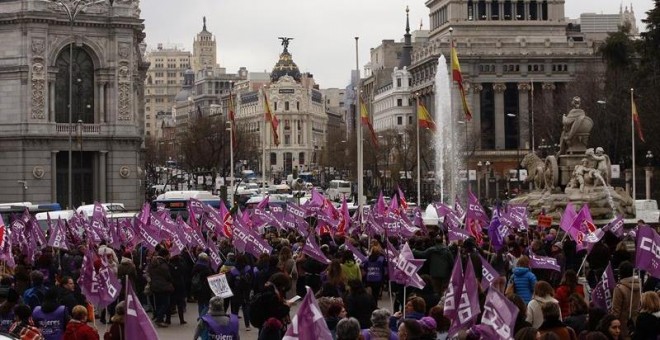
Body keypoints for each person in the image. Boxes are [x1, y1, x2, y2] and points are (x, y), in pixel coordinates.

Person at [611, 261, 641, 339]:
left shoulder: (619, 288)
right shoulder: (639, 286)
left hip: (622, 325)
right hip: (635, 323)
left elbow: (616, 311)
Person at [147, 247, 174, 327]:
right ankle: (159, 319)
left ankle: (159, 318)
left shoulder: (153, 262)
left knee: (158, 303)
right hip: (163, 286)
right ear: (165, 255)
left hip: (154, 286)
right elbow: (168, 276)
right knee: (165, 304)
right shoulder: (163, 264)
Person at [227, 253, 253, 331]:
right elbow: (252, 279)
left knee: (235, 309)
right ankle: (247, 325)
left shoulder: (233, 270)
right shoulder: (248, 269)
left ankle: (234, 325)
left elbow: (230, 282)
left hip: (236, 292)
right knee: (245, 308)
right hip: (245, 292)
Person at [191, 252, 214, 318]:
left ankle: (200, 315)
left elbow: (192, 274)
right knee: (207, 304)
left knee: (200, 303)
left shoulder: (196, 265)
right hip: (205, 287)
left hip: (197, 286)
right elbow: (210, 276)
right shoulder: (207, 267)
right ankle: (201, 317)